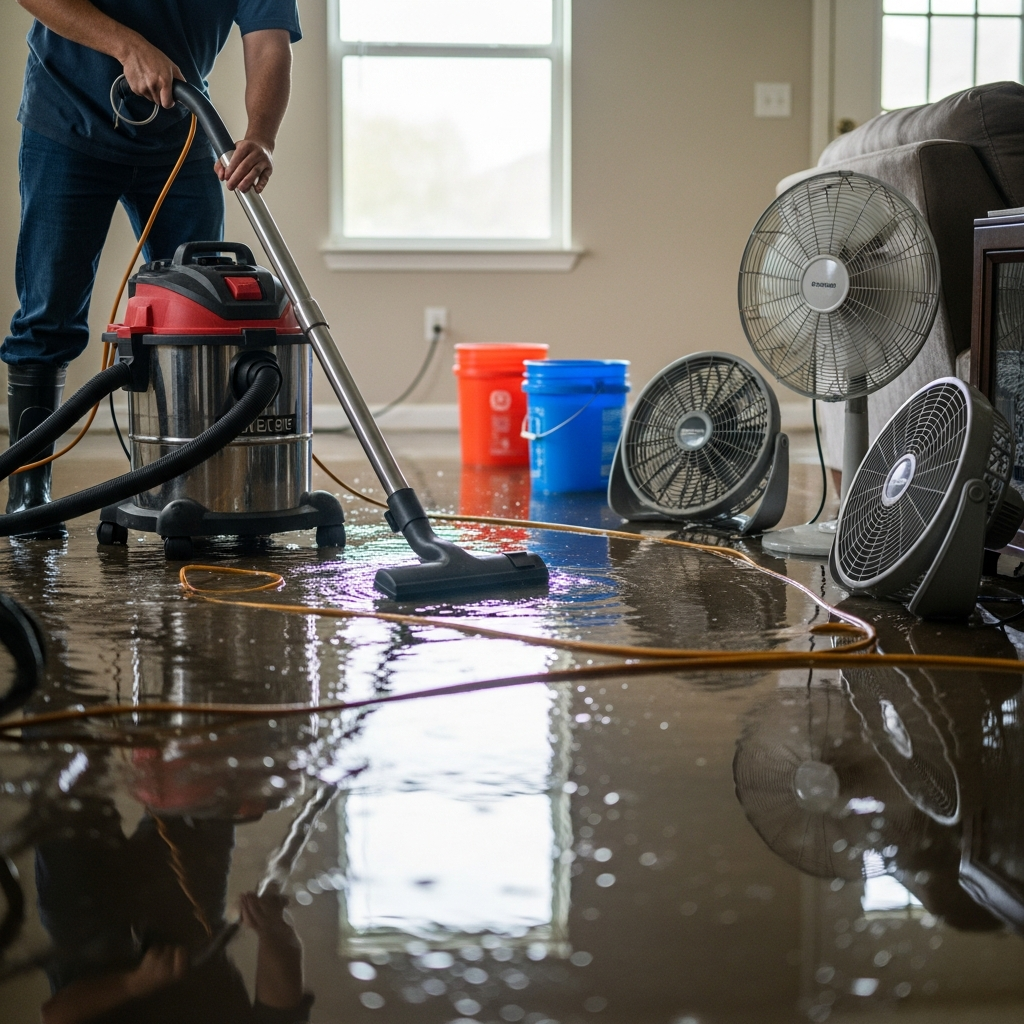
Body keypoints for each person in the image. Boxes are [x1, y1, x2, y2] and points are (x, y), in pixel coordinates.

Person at [5, 0, 300, 538]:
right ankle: (28, 490)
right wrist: (126, 45)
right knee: (48, 314)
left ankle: (192, 483)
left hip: (180, 131)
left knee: (198, 320)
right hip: (67, 119)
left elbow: (269, 41)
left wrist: (261, 135)